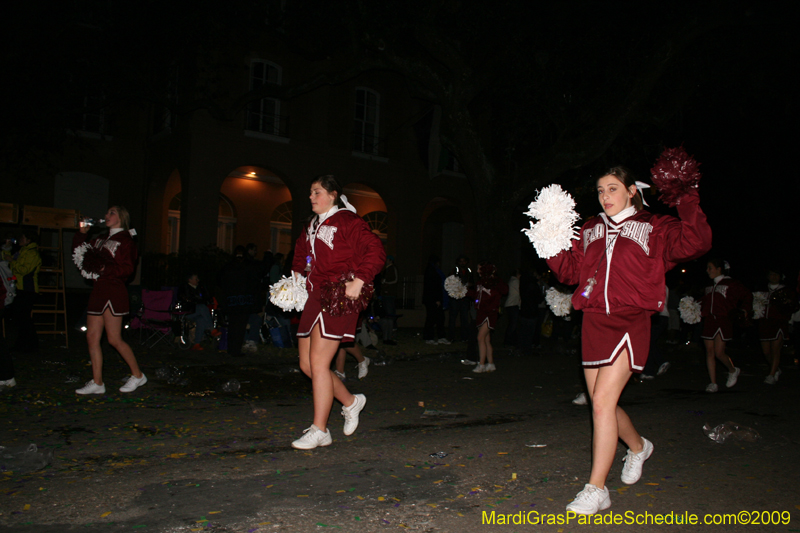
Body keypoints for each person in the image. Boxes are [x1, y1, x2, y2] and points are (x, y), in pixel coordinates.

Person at [547, 166, 711, 514]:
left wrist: (684, 197)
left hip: (630, 321)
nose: (605, 196)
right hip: (593, 322)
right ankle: (638, 447)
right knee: (600, 403)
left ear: (631, 191)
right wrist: (549, 241)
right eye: (600, 190)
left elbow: (696, 242)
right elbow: (569, 272)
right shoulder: (590, 228)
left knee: (603, 403)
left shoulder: (654, 226)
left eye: (612, 188)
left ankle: (597, 488)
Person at [290, 175, 385, 449]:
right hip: (314, 297)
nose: (311, 197)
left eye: (316, 192)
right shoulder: (311, 226)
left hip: (338, 296)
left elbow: (375, 250)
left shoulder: (347, 220)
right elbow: (300, 256)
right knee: (307, 365)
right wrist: (295, 280)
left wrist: (360, 279)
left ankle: (320, 430)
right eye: (310, 192)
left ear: (332, 195)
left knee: (319, 364)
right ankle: (351, 401)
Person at [72, 206, 147, 395]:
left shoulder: (126, 241)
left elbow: (127, 269)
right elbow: (79, 254)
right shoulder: (100, 240)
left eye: (111, 213)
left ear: (122, 217)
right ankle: (97, 382)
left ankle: (138, 376)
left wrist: (104, 269)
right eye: (106, 213)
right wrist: (81, 234)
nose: (107, 215)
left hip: (114, 290)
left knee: (114, 339)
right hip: (98, 290)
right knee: (92, 337)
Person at [700, 258, 751, 392]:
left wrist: (745, 310)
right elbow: (703, 302)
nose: (707, 270)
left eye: (710, 267)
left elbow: (747, 295)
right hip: (709, 320)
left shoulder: (732, 283)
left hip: (724, 320)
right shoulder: (708, 286)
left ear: (719, 269)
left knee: (718, 352)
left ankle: (732, 370)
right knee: (709, 351)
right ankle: (713, 383)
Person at [218, 246, 262, 356]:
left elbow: (222, 284)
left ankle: (232, 349)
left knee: (234, 326)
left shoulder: (228, 267)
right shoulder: (247, 267)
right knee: (239, 326)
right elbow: (254, 283)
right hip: (243, 302)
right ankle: (235, 350)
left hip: (233, 302)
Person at [3, 230, 42, 353]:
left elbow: (24, 270)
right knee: (21, 318)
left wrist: (12, 262)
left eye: (23, 237)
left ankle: (29, 345)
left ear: (29, 240)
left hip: (27, 290)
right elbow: (9, 260)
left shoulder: (32, 253)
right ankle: (25, 345)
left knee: (24, 318)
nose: (20, 239)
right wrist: (7, 248)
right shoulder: (22, 251)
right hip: (19, 288)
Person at [757, 268, 797, 384]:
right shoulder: (762, 290)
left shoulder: (786, 291)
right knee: (766, 352)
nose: (774, 276)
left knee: (776, 349)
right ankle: (776, 369)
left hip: (779, 322)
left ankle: (771, 374)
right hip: (764, 323)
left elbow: (792, 306)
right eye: (771, 274)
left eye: (776, 274)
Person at [469, 262, 508, 372]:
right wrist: (463, 292)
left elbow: (504, 291)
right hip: (481, 313)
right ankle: (490, 364)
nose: (477, 271)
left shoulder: (495, 282)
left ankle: (481, 364)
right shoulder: (480, 283)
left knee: (480, 337)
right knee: (486, 339)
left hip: (490, 313)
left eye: (479, 269)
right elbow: (476, 296)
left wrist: (494, 280)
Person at [178, 273, 217, 350]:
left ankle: (197, 343)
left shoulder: (201, 287)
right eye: (196, 279)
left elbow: (207, 298)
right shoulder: (184, 287)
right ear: (190, 280)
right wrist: (198, 300)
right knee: (201, 307)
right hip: (188, 312)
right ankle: (211, 329)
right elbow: (188, 300)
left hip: (198, 313)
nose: (198, 280)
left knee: (201, 319)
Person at [422, 255, 448, 344]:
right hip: (433, 299)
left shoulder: (433, 270)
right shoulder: (431, 271)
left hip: (434, 298)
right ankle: (429, 337)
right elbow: (432, 286)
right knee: (432, 318)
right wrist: (436, 299)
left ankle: (440, 336)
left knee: (439, 318)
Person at [448, 255, 473, 342]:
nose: (462, 263)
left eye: (464, 261)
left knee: (465, 319)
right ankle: (451, 337)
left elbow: (472, 282)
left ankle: (464, 337)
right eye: (461, 261)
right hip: (455, 298)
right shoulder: (455, 270)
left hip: (465, 298)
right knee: (452, 318)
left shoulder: (469, 271)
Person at [503, 269, 521, 347]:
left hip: (512, 304)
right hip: (512, 304)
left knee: (513, 323)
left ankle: (511, 340)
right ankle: (508, 340)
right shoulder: (515, 281)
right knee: (513, 324)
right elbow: (520, 292)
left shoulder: (513, 281)